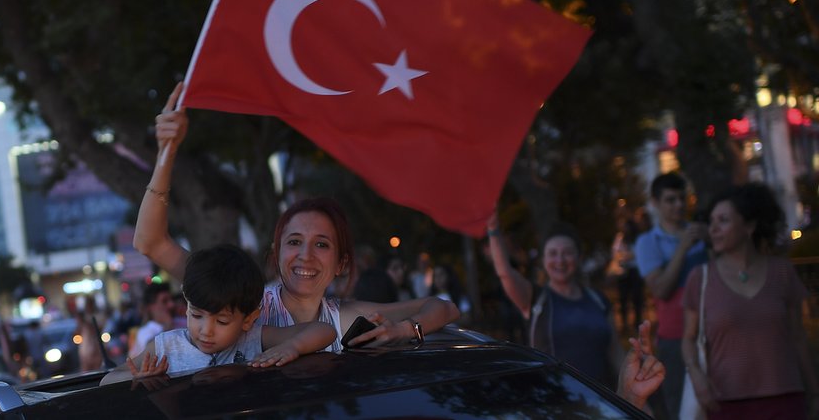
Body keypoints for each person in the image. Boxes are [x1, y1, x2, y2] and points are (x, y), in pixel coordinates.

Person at [133, 84, 460, 351]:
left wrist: (406, 330)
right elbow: (150, 242)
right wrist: (167, 153)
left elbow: (443, 307)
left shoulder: (344, 318)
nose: (305, 255)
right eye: (294, 242)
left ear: (341, 263)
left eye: (321, 244)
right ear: (276, 253)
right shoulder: (237, 295)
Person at [101, 244, 336, 383]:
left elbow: (325, 330)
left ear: (249, 319)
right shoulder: (166, 348)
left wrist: (292, 346)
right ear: (186, 303)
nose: (206, 330)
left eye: (222, 321)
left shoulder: (254, 338)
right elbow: (107, 380)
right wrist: (139, 376)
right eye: (196, 315)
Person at [682, 183, 819, 419]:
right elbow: (688, 338)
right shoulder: (701, 278)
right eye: (711, 221)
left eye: (723, 220)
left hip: (785, 400)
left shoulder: (782, 273)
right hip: (725, 403)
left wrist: (815, 393)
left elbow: (798, 337)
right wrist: (696, 375)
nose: (713, 228)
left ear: (749, 226)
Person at [487, 212, 621, 386]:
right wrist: (493, 230)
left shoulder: (599, 300)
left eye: (567, 253)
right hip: (556, 403)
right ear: (544, 260)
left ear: (579, 257)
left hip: (602, 401)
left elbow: (616, 353)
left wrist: (635, 398)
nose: (560, 260)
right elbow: (505, 272)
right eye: (553, 253)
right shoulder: (535, 299)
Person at [634, 172, 708, 418]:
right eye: (670, 200)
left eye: (681, 198)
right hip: (675, 338)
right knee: (682, 409)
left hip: (712, 332)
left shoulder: (703, 235)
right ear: (655, 203)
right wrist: (684, 248)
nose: (678, 205)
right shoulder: (648, 242)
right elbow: (661, 290)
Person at [129, 282, 176, 358]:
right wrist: (168, 326)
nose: (171, 305)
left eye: (171, 299)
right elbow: (152, 351)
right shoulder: (144, 332)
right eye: (164, 301)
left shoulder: (182, 321)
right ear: (151, 307)